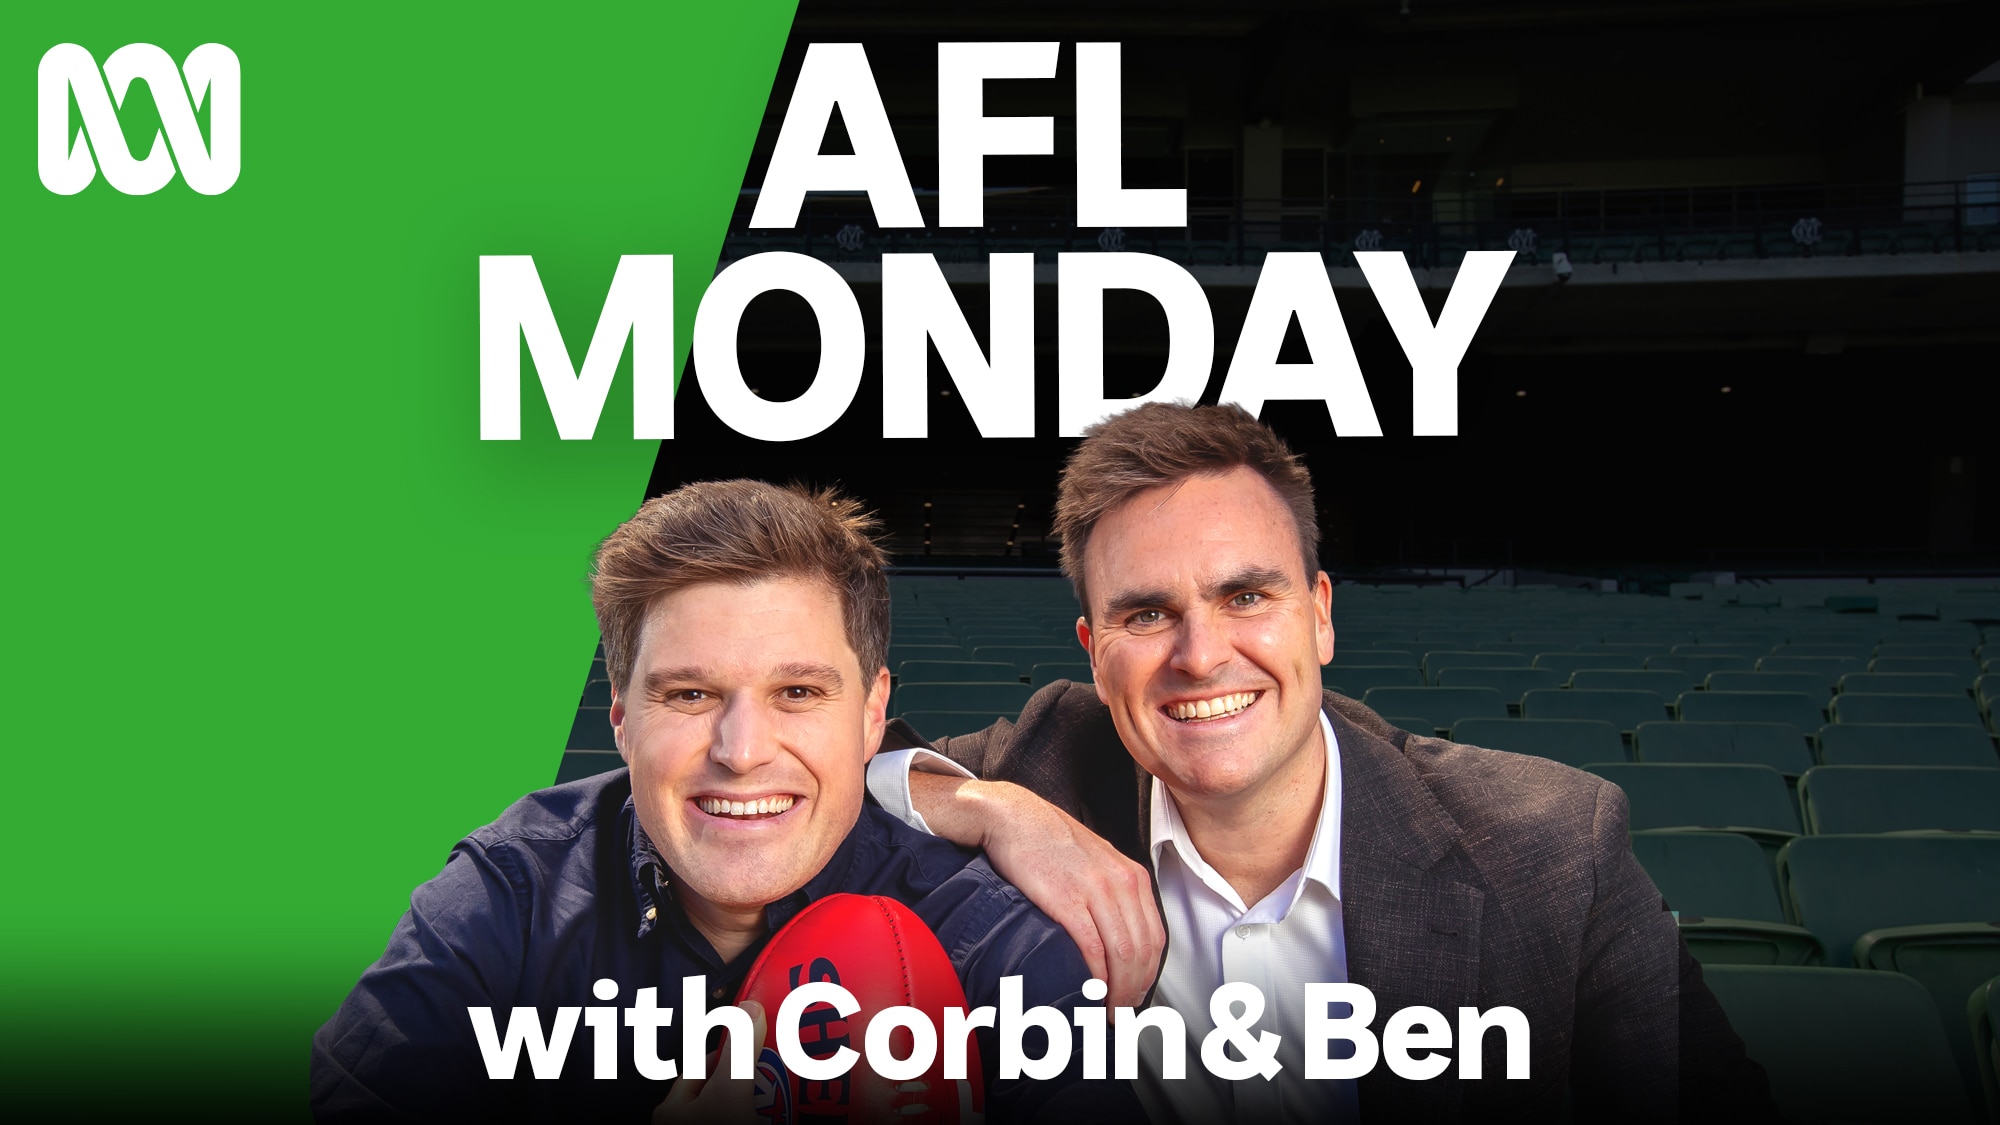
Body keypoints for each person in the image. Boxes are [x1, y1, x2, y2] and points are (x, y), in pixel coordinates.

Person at [868, 402, 1773, 1123]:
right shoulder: (1042, 759)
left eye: (1246, 594)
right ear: (1094, 652)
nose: (1201, 653)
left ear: (1321, 613)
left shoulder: (1552, 848)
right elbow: (825, 773)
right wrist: (988, 806)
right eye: (1146, 614)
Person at [311, 480, 1134, 1123]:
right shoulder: (514, 890)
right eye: (691, 693)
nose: (741, 752)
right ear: (623, 717)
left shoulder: (993, 939)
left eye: (799, 691)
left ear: (872, 712)